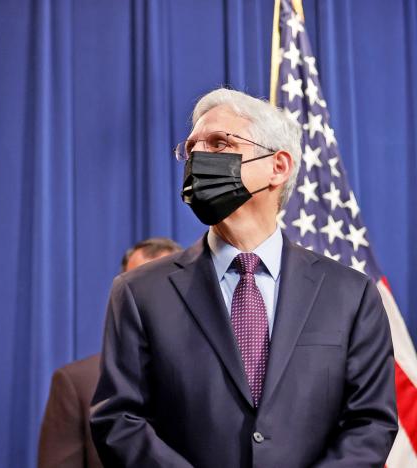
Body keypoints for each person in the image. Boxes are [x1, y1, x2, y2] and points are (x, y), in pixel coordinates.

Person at [90, 88, 397, 467]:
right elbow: (119, 420)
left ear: (278, 166)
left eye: (220, 143)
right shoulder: (139, 293)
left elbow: (370, 423)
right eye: (191, 149)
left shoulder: (351, 294)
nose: (199, 158)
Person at [37, 238, 182, 468]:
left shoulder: (220, 377)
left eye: (167, 289)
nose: (156, 302)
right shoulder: (77, 383)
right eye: (142, 288)